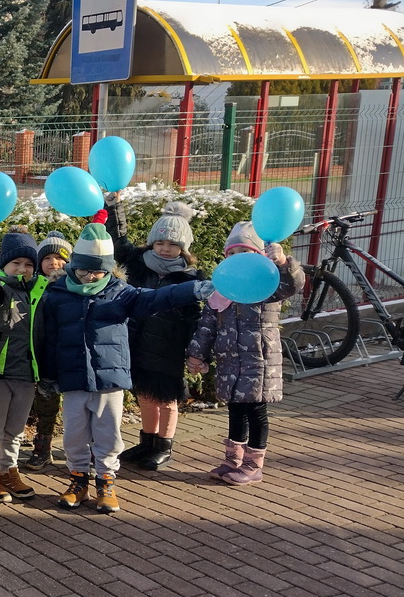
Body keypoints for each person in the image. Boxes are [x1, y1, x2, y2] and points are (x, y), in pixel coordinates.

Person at [38, 219, 214, 514]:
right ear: (74, 267)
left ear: (108, 269)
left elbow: (159, 297)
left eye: (97, 271)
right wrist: (47, 375)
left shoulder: (121, 292)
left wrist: (194, 290)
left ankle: (106, 482)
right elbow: (48, 338)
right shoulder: (57, 295)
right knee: (74, 434)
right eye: (83, 270)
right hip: (72, 378)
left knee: (108, 434)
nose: (90, 276)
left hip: (110, 380)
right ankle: (78, 481)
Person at [187, 221, 304, 485]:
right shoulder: (223, 290)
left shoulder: (268, 287)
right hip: (230, 361)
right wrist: (197, 354)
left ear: (259, 256)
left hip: (259, 361)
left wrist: (283, 262)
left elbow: (293, 284)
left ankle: (254, 465)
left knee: (256, 410)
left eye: (245, 252)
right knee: (236, 409)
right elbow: (207, 326)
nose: (238, 257)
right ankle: (233, 460)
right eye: (232, 253)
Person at [106, 198, 205, 471]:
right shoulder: (138, 264)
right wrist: (114, 208)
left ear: (183, 248)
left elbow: (195, 319)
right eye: (160, 242)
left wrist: (196, 351)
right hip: (138, 343)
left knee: (166, 399)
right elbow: (118, 241)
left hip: (168, 347)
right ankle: (147, 441)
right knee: (145, 395)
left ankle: (164, 445)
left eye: (173, 244)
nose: (165, 248)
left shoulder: (189, 279)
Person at [0, 229, 47, 505]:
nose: (22, 269)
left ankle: (8, 471)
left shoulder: (40, 290)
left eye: (28, 264)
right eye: (16, 263)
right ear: (4, 265)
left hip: (27, 373)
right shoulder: (0, 288)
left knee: (15, 430)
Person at [25, 231, 72, 471]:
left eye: (59, 258)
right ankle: (43, 447)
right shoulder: (34, 286)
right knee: (45, 404)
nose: (53, 263)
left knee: (77, 406)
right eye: (47, 258)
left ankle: (83, 448)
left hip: (71, 355)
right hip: (45, 355)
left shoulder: (75, 286)